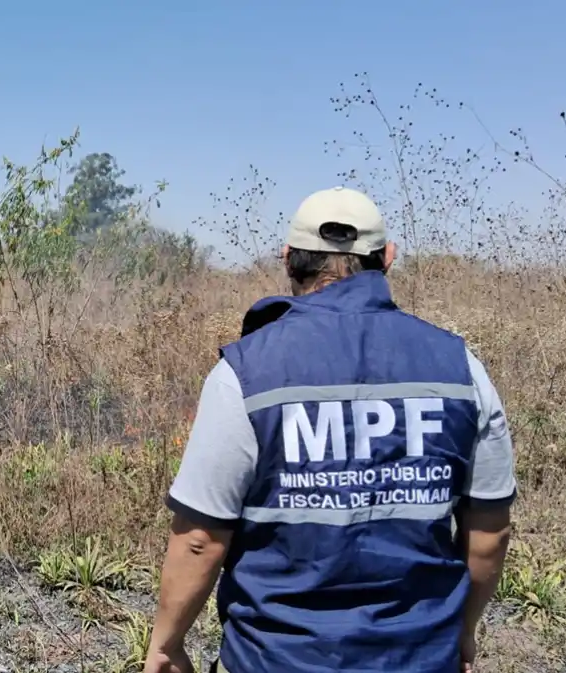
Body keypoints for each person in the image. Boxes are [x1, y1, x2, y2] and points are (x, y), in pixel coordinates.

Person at [145, 186, 516, 673]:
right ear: (387, 258)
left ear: (287, 259)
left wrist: (166, 647)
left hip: (275, 659)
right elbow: (489, 532)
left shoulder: (244, 373)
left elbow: (200, 539)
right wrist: (460, 633)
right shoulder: (460, 367)